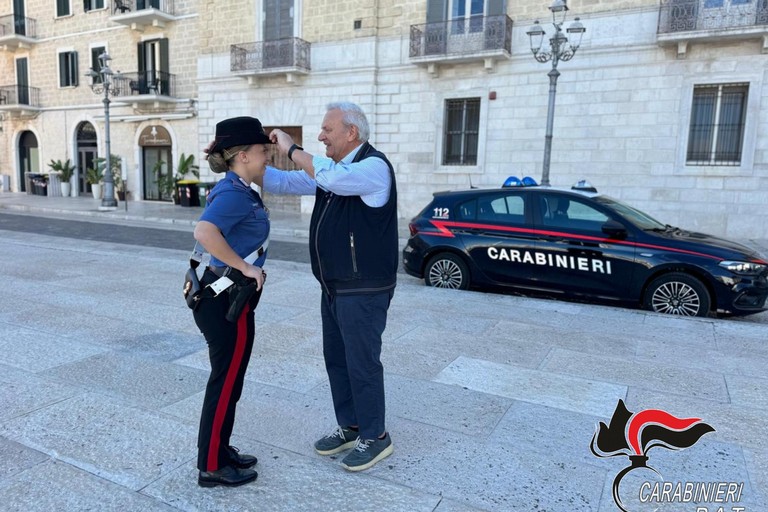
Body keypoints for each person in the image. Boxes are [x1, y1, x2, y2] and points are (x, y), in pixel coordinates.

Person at [262, 102, 398, 472]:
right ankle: (351, 426)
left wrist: (292, 148)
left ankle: (376, 435)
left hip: (364, 287)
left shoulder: (373, 168)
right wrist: (240, 158)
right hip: (334, 286)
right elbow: (283, 181)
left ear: (351, 133)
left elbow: (333, 179)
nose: (320, 136)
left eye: (326, 130)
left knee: (362, 362)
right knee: (337, 359)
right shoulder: (330, 172)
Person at [192, 116, 271, 488]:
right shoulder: (234, 193)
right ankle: (211, 464)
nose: (266, 157)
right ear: (242, 155)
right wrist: (245, 268)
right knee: (224, 384)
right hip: (226, 301)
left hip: (229, 299)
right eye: (261, 151)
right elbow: (205, 231)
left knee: (231, 382)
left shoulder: (240, 188)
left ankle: (221, 450)